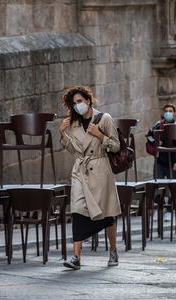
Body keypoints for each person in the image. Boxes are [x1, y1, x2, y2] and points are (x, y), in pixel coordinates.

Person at [59, 85, 121, 270]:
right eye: (74, 103)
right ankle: (76, 257)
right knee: (77, 210)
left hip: (101, 169)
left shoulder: (104, 119)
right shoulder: (73, 123)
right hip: (80, 170)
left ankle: (113, 251)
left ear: (88, 100)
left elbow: (116, 146)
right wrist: (62, 134)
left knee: (107, 213)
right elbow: (73, 150)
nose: (77, 105)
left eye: (80, 101)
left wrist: (100, 136)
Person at [146, 103, 176, 221]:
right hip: (160, 161)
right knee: (158, 186)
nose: (168, 113)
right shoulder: (158, 125)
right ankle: (158, 210)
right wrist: (157, 143)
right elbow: (149, 136)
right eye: (166, 111)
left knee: (171, 187)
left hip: (172, 163)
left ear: (175, 113)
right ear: (163, 113)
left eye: (171, 111)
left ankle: (169, 211)